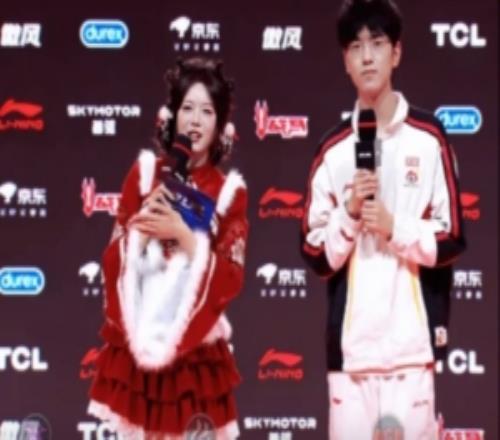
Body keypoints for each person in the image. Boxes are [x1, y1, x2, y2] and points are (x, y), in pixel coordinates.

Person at [300, 0, 466, 438]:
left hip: (411, 355)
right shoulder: (332, 150)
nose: (367, 57)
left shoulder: (429, 139)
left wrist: (396, 228)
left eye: (376, 44)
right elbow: (314, 253)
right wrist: (349, 214)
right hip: (351, 361)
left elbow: (453, 236)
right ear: (345, 62)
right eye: (356, 48)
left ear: (397, 52)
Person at [87, 57, 248, 439]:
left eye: (207, 111)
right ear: (172, 116)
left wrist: (187, 238)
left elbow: (232, 276)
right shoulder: (145, 175)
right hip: (140, 345)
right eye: (187, 108)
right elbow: (112, 257)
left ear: (220, 124)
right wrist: (142, 230)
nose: (195, 121)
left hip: (196, 355)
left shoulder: (229, 193)